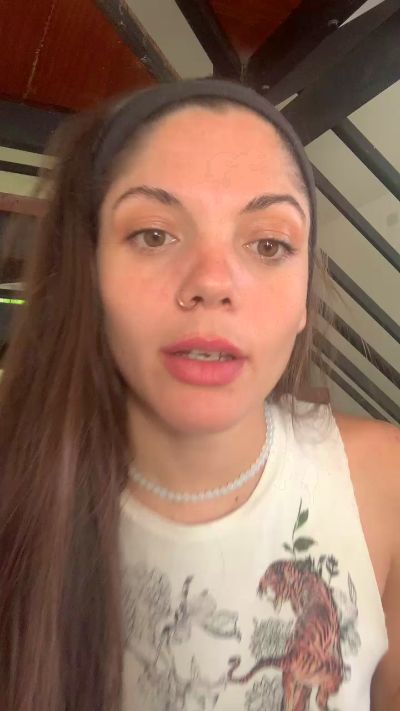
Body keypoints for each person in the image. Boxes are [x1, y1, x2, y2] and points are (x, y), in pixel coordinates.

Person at [0, 79, 398, 711]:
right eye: (153, 234)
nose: (213, 282)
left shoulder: (386, 481)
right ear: (90, 276)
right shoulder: (16, 490)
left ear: (302, 301)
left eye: (268, 244)